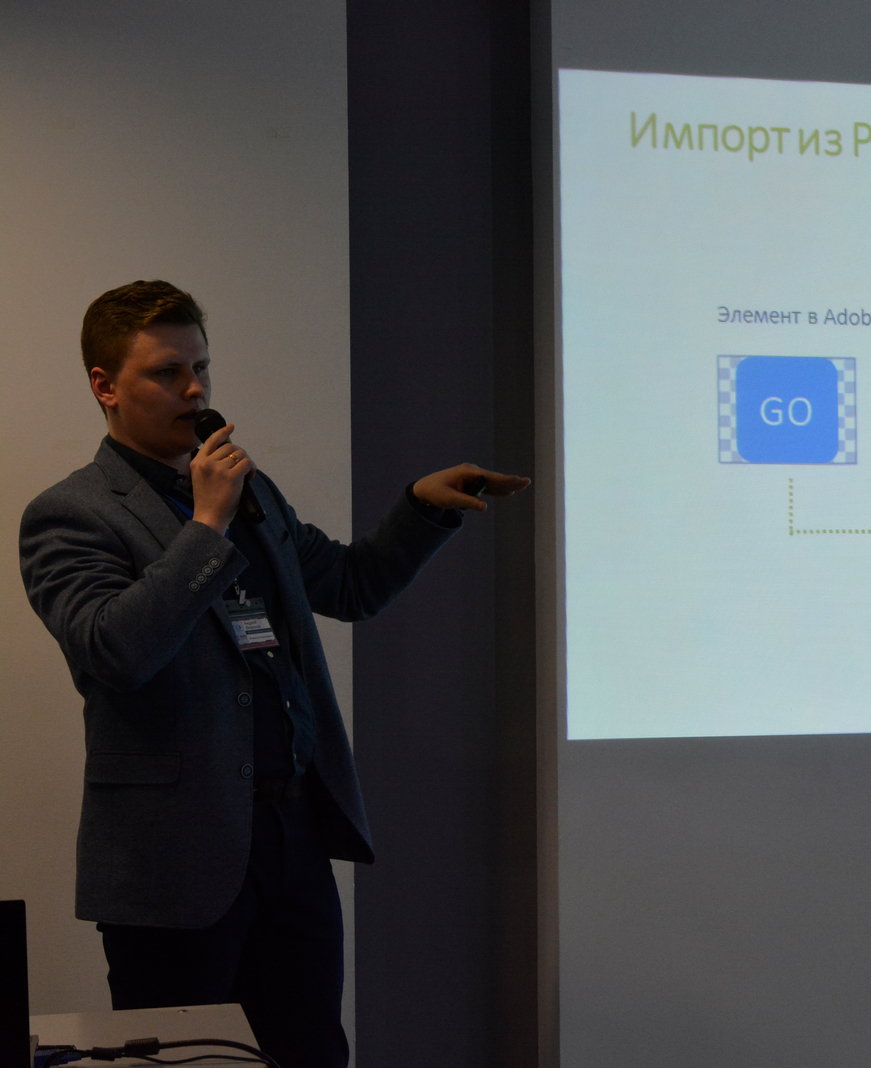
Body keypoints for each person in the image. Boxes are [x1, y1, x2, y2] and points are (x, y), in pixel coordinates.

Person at [18, 281, 527, 1068]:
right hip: (175, 860)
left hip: (291, 836)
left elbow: (349, 586)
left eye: (201, 367)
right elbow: (115, 651)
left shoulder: (250, 492)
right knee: (189, 1059)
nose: (195, 390)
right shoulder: (73, 513)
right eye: (167, 372)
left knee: (312, 1051)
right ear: (105, 386)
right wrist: (206, 525)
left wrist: (423, 511)